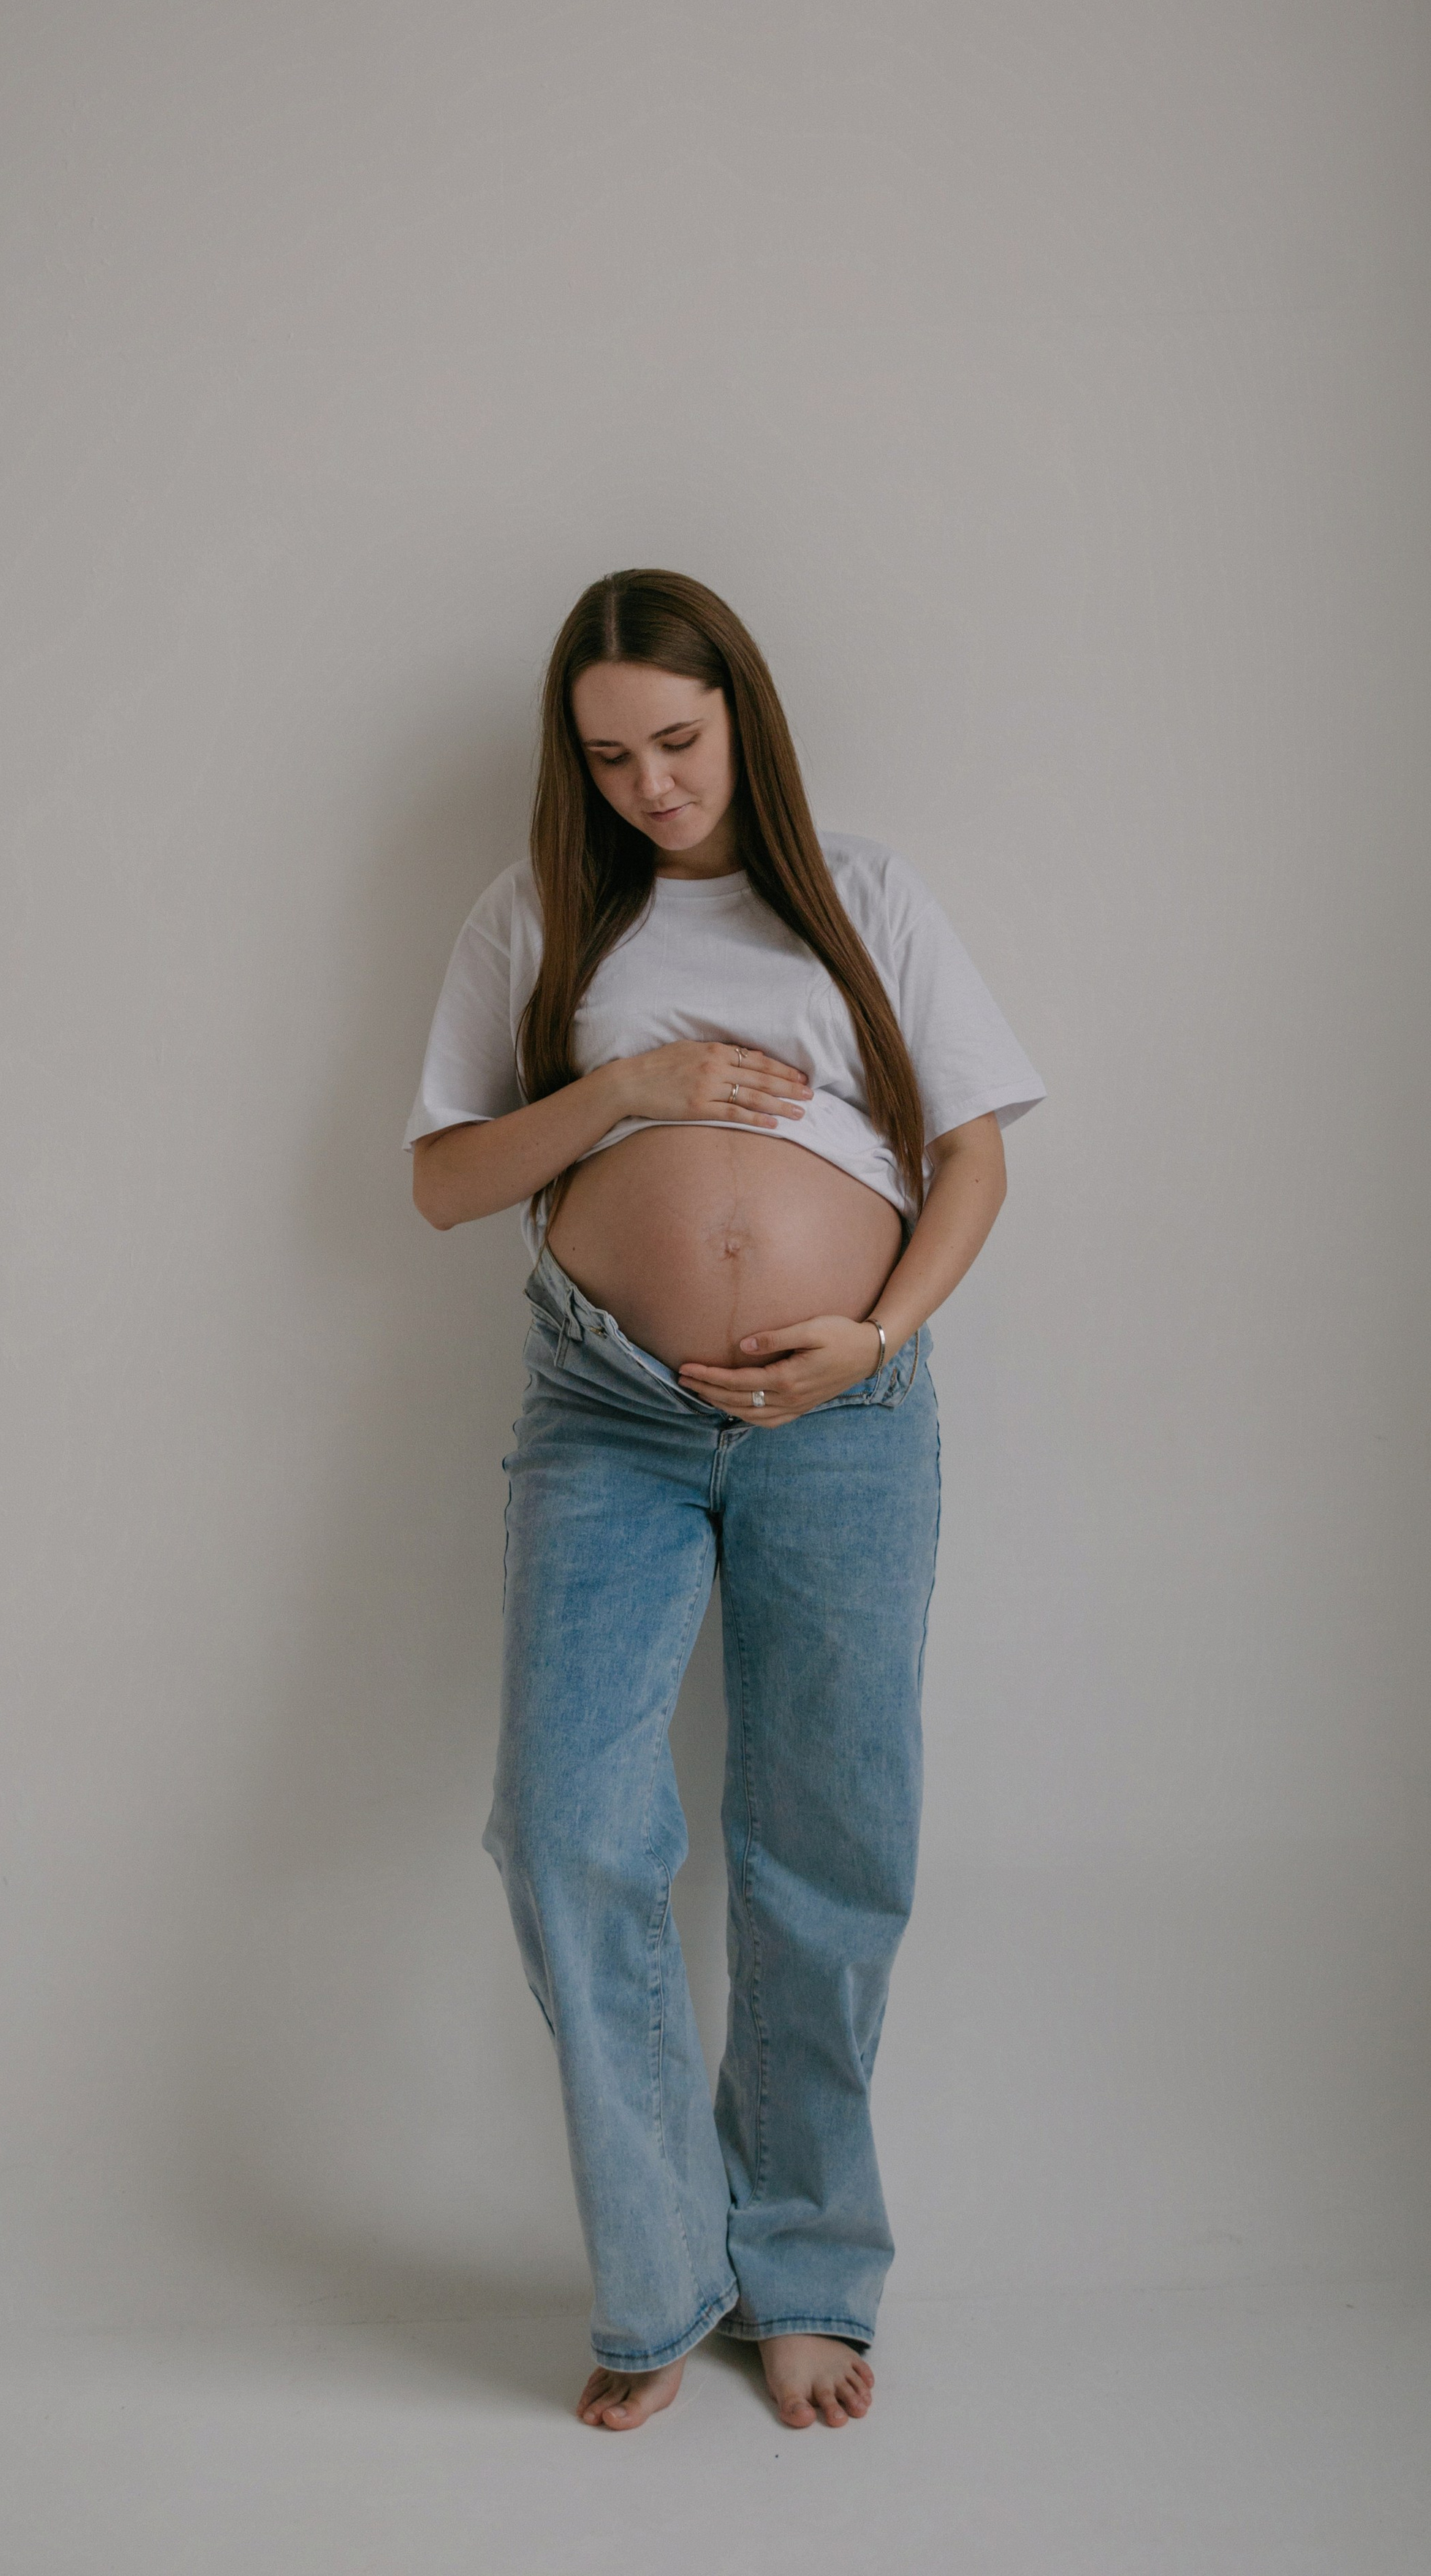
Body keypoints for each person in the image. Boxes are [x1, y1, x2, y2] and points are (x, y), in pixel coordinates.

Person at [404, 569, 1045, 2433]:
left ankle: (809, 2275)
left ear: (739, 718)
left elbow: (972, 1155)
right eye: (609, 757)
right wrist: (634, 1091)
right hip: (606, 1406)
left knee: (827, 1847)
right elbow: (444, 1181)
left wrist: (876, 1331)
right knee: (563, 1825)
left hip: (848, 1406)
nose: (650, 787)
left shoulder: (862, 895)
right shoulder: (537, 912)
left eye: (676, 743)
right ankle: (661, 2271)